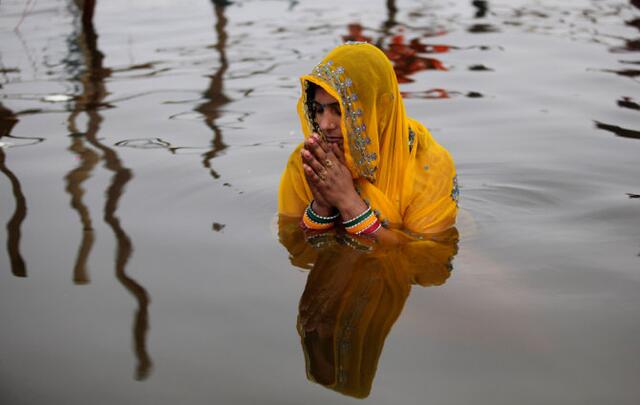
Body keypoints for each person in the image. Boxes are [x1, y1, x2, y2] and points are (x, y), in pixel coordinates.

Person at [278, 42, 458, 241]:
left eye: (339, 111)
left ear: (378, 109)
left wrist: (348, 202)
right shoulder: (309, 161)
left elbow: (428, 256)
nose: (325, 124)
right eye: (318, 109)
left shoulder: (428, 165)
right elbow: (291, 242)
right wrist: (321, 208)